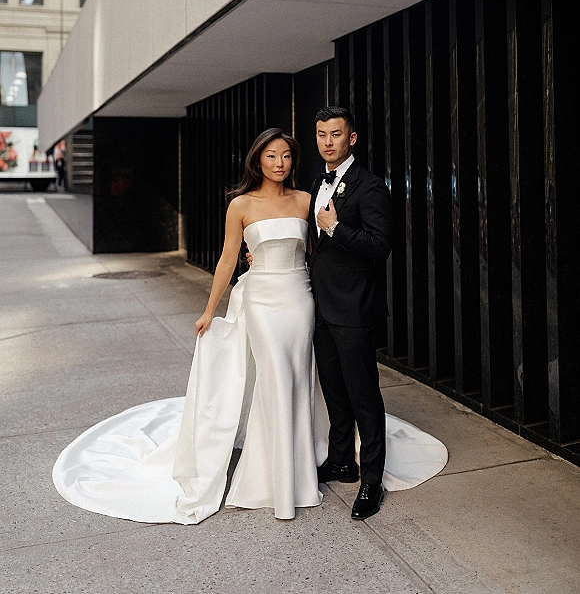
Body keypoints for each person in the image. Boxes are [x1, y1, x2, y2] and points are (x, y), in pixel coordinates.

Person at [52, 128, 447, 526]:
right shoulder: (240, 205)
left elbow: (323, 252)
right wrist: (210, 309)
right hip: (261, 301)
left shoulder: (308, 199)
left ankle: (312, 463)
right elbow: (227, 260)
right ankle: (277, 477)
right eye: (271, 156)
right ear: (257, 160)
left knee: (301, 379)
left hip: (302, 299)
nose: (279, 164)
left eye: (286, 157)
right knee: (275, 375)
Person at [310, 106, 393, 520]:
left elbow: (380, 246)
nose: (327, 141)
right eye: (322, 134)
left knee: (363, 396)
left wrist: (337, 229)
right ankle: (342, 459)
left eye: (335, 134)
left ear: (352, 138)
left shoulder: (371, 187)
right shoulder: (317, 182)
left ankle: (372, 482)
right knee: (335, 392)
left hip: (355, 309)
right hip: (321, 309)